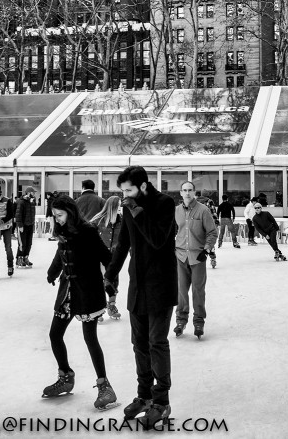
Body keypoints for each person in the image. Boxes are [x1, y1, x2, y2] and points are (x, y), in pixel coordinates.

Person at [105, 166, 177, 430]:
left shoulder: (165, 203)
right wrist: (111, 274)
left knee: (156, 342)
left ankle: (162, 402)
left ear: (143, 186)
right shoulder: (130, 207)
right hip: (138, 285)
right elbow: (123, 243)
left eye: (129, 190)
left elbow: (158, 239)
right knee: (139, 343)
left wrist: (137, 211)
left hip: (160, 285)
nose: (125, 196)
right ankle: (144, 396)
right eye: (122, 191)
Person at [42, 196, 118, 411]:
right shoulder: (63, 230)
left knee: (89, 338)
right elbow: (60, 253)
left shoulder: (87, 231)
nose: (57, 219)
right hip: (68, 290)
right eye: (54, 216)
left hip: (88, 290)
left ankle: (105, 387)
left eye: (60, 215)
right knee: (54, 334)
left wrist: (111, 281)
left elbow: (106, 256)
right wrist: (52, 272)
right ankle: (65, 376)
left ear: (71, 212)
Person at [174, 182, 218, 342]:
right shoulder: (177, 211)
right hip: (180, 256)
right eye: (184, 190)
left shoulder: (203, 210)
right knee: (181, 291)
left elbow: (212, 232)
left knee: (198, 291)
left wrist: (206, 250)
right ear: (180, 193)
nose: (187, 193)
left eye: (190, 190)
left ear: (194, 192)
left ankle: (199, 322)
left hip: (197, 257)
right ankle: (180, 321)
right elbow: (172, 231)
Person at [91, 195, 122, 320]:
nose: (120, 209)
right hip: (98, 256)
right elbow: (87, 233)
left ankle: (112, 306)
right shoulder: (98, 220)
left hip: (114, 257)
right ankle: (97, 308)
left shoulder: (123, 221)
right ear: (112, 207)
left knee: (113, 282)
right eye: (119, 206)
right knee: (98, 282)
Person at [15, 186, 37, 268]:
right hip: (23, 226)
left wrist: (32, 223)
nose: (34, 194)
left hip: (30, 225)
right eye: (33, 192)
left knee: (29, 243)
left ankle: (25, 257)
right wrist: (20, 225)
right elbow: (18, 215)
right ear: (28, 193)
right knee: (22, 243)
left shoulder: (32, 202)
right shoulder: (22, 202)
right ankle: (19, 259)